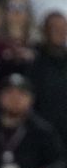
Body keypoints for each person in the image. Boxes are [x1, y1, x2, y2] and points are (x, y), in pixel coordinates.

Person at [29, 12, 67, 146]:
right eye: (55, 28)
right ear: (45, 31)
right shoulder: (34, 61)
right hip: (43, 132)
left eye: (63, 28)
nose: (60, 32)